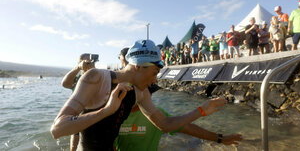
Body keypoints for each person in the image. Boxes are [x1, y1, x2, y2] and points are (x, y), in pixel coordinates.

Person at [50, 39, 228, 150]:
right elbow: (58, 129)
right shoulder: (97, 78)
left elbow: (165, 124)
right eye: (154, 72)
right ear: (137, 66)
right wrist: (106, 110)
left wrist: (202, 110)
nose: (154, 80)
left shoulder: (139, 92)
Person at [114, 47, 243, 151]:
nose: (149, 95)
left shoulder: (156, 115)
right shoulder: (116, 113)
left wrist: (220, 138)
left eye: (150, 92)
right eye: (147, 88)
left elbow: (188, 128)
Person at [61, 53, 97, 151]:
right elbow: (64, 83)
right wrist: (78, 67)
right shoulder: (77, 80)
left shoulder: (100, 76)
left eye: (89, 62)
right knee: (75, 141)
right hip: (78, 114)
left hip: (96, 115)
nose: (87, 64)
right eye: (84, 62)